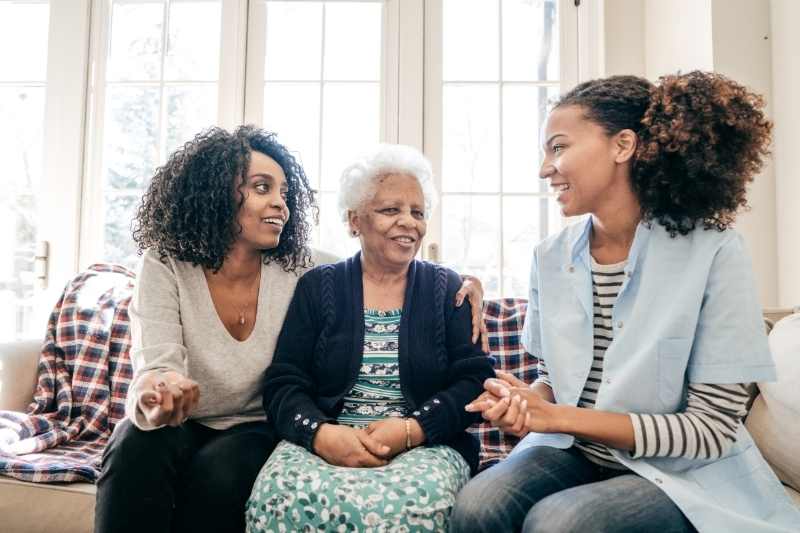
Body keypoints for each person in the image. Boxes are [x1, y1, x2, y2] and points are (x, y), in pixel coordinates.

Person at [450, 72, 800, 532]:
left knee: (561, 524)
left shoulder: (715, 252)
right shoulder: (549, 257)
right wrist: (527, 401)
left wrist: (556, 415)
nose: (544, 168)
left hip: (681, 472)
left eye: (558, 147)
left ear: (623, 146)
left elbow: (710, 430)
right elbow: (555, 379)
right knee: (478, 505)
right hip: (570, 449)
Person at [93, 127, 487, 533]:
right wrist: (158, 391)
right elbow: (156, 366)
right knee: (131, 449)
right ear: (215, 193)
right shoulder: (166, 263)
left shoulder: (298, 265)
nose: (280, 203)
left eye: (284, 192)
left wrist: (466, 283)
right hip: (181, 421)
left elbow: (378, 264)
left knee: (220, 474)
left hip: (253, 424)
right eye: (263, 187)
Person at [246, 144, 495, 532]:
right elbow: (284, 382)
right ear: (354, 221)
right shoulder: (318, 286)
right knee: (279, 497)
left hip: (424, 444)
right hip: (330, 437)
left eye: (418, 212)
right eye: (390, 210)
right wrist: (320, 434)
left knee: (411, 507)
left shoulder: (448, 288)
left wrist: (412, 429)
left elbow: (475, 382)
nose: (408, 223)